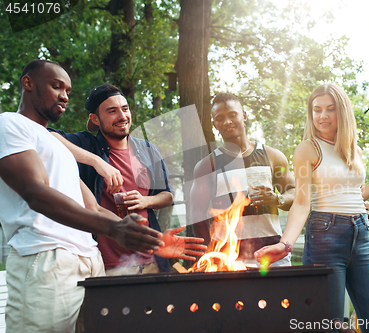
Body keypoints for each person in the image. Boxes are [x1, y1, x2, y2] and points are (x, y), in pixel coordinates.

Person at [0, 60, 206, 332]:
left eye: (68, 91)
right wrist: (114, 226)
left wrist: (153, 241)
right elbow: (35, 193)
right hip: (46, 258)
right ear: (28, 83)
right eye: (56, 86)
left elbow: (92, 207)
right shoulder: (10, 124)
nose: (64, 96)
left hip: (89, 261)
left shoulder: (57, 148)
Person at [255, 83, 369, 333]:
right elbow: (303, 201)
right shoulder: (308, 148)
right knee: (327, 326)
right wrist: (286, 243)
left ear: (342, 112)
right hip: (326, 236)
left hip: (362, 236)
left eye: (330, 109)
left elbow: (353, 195)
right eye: (317, 110)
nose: (322, 116)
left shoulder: (353, 149)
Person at [50, 84, 178, 275]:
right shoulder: (87, 144)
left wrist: (146, 201)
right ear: (95, 119)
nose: (122, 116)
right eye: (112, 111)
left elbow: (167, 195)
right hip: (108, 266)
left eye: (125, 109)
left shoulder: (148, 150)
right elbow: (46, 136)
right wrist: (95, 161)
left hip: (153, 262)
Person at [191, 92, 296, 267]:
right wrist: (211, 254)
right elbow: (197, 215)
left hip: (272, 258)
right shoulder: (206, 166)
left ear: (244, 115)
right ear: (214, 124)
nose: (227, 122)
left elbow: (294, 193)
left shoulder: (272, 156)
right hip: (230, 262)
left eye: (232, 115)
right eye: (220, 118)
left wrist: (276, 199)